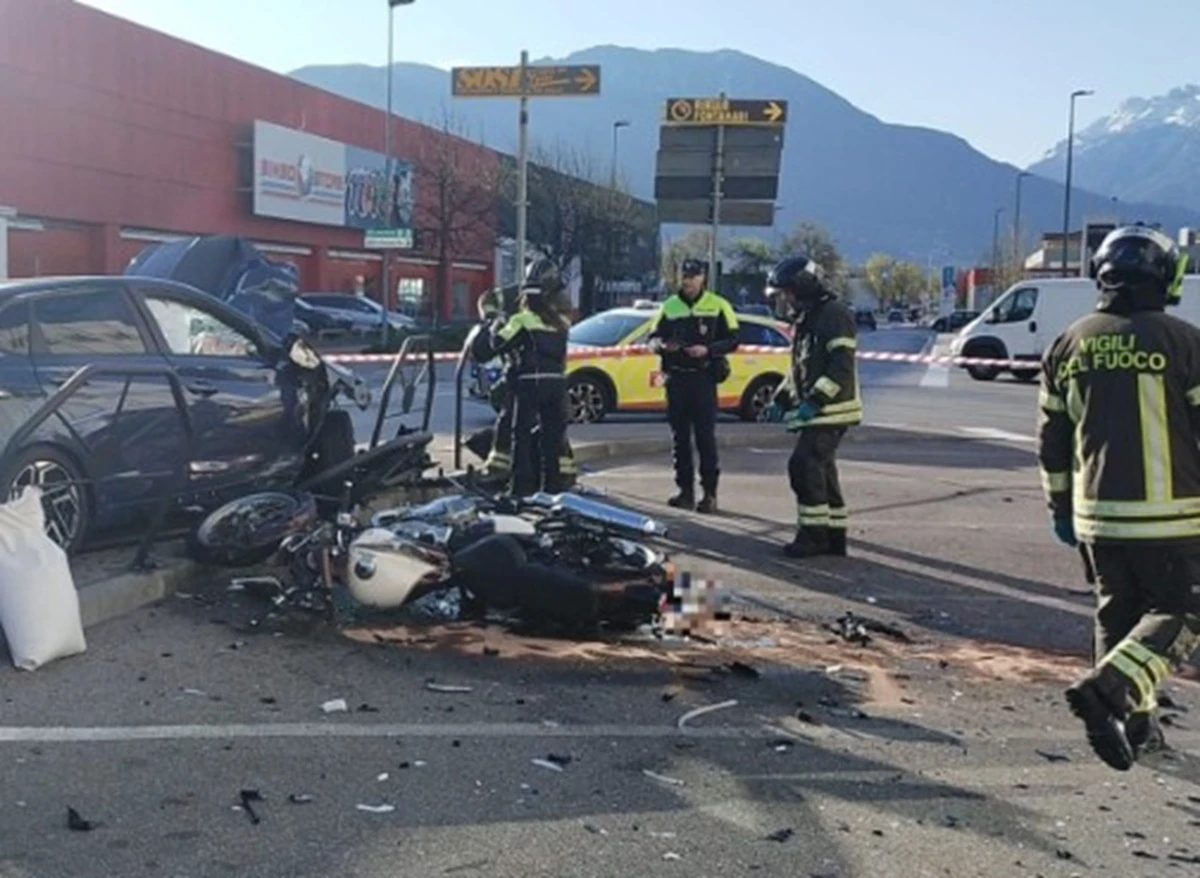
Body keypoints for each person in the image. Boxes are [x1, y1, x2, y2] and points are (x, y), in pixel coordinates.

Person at [1038, 223, 1200, 772]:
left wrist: (1061, 510)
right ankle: (1109, 688)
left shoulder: (1068, 342)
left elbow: (1051, 441)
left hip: (1096, 519)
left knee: (1118, 615)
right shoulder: (1184, 342)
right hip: (1173, 516)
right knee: (1183, 613)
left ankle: (1136, 723)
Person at [761, 255, 862, 558]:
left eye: (787, 293)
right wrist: (780, 398)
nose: (784, 300)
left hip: (832, 410)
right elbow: (800, 370)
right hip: (821, 410)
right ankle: (833, 537)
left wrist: (816, 401)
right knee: (822, 471)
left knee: (804, 466)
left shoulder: (833, 315)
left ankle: (814, 536)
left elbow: (840, 367)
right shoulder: (809, 318)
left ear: (803, 288)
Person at [467, 266, 578, 488]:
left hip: (528, 381)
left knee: (520, 434)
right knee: (552, 436)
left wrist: (494, 324)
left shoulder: (521, 320)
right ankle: (553, 486)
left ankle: (520, 487)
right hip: (556, 383)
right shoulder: (560, 321)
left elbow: (495, 344)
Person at [646, 259, 739, 513]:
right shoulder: (670, 306)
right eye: (684, 276)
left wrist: (708, 350)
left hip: (703, 379)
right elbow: (653, 337)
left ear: (703, 278)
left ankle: (710, 494)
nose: (687, 281)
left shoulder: (718, 305)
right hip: (676, 379)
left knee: (705, 439)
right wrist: (661, 346)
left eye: (692, 276)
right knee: (680, 439)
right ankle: (685, 491)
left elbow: (734, 339)